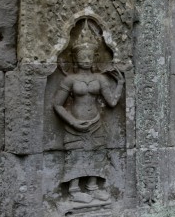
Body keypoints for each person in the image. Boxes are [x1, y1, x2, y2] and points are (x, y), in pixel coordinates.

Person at [53, 18, 124, 204]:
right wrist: (72, 121)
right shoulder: (70, 80)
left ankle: (93, 187)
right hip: (74, 123)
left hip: (95, 122)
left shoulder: (100, 79)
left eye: (89, 56)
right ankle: (74, 188)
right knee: (75, 155)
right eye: (82, 56)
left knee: (97, 153)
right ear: (75, 58)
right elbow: (57, 104)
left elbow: (112, 102)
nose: (86, 59)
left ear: (94, 58)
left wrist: (120, 84)